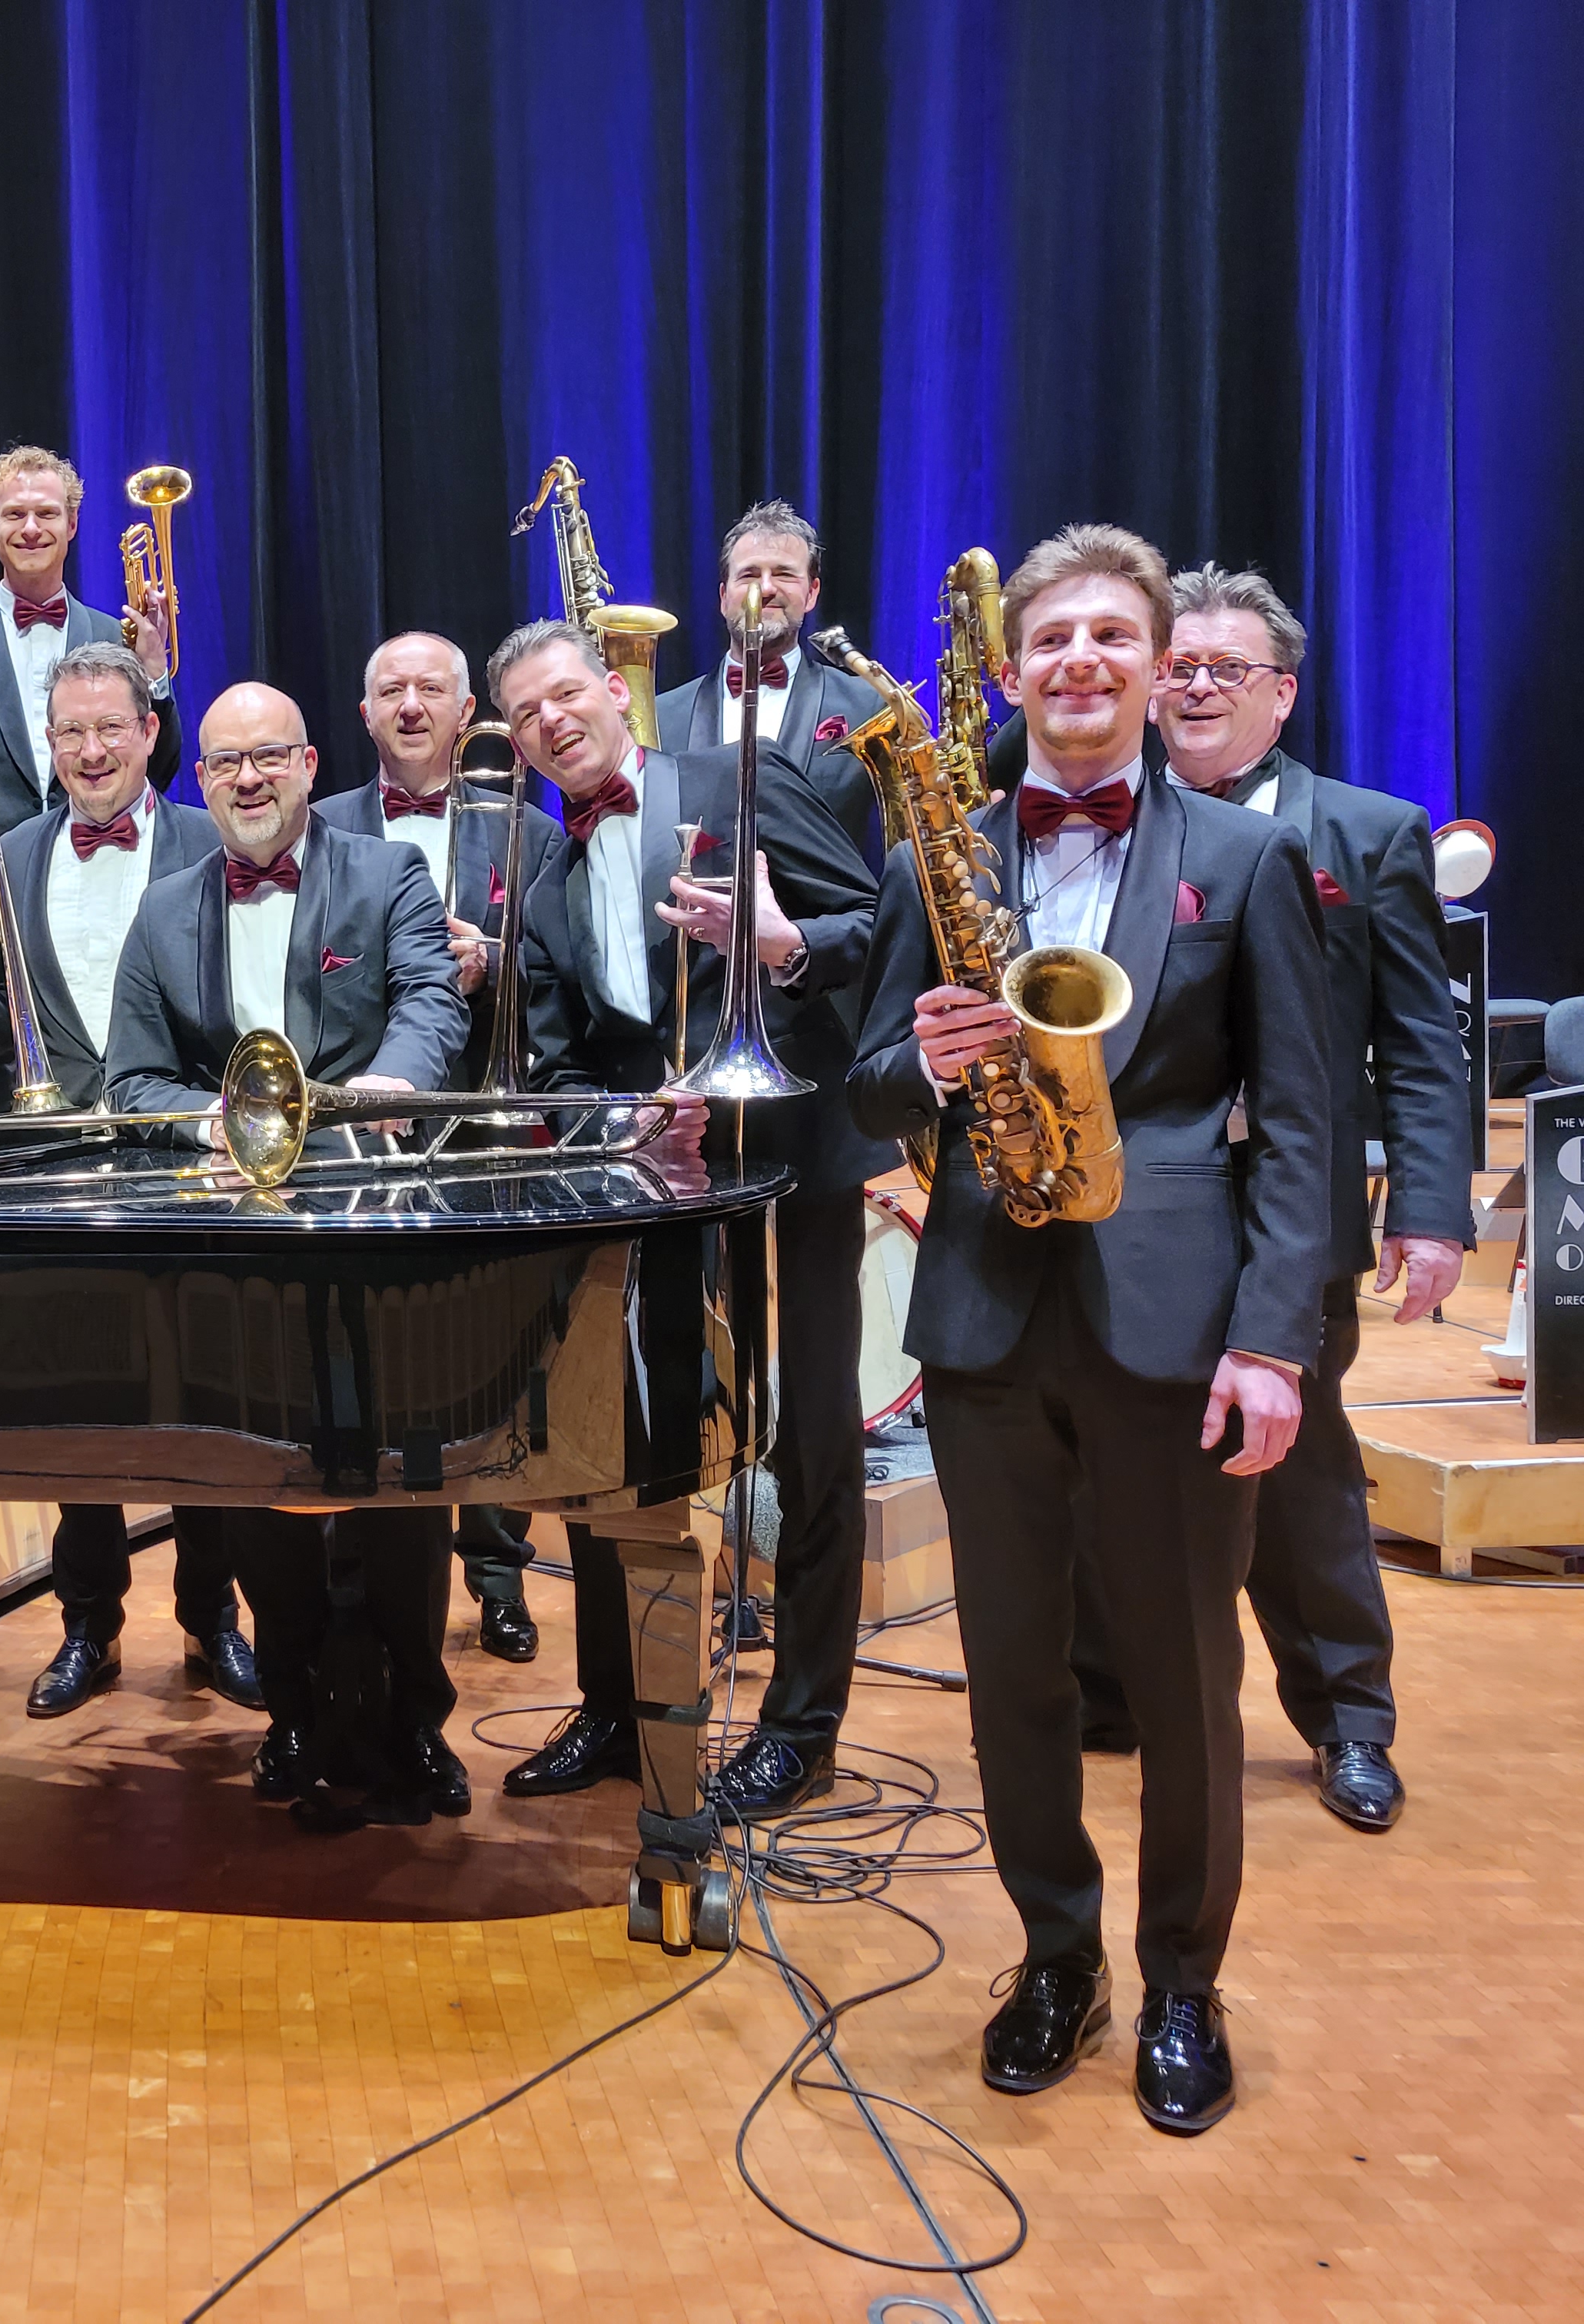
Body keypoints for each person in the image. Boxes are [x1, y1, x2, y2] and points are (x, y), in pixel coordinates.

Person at [847, 523, 1333, 2137]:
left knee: (1185, 1675)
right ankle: (1058, 1954)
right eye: (1051, 637)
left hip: (1176, 1327)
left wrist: (1273, 1340)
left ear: (1156, 663)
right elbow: (864, 1083)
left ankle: (1183, 1978)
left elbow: (1303, 1125)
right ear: (1011, 667)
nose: (1080, 661)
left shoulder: (1244, 858)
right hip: (986, 1322)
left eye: (1112, 637)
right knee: (1011, 1674)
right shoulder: (937, 856)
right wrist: (921, 1060)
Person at [1092, 563, 1466, 1833]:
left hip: (1288, 1213)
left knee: (1299, 1478)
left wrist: (1431, 1208)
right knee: (1111, 1453)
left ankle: (1349, 1716)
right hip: (1131, 1206)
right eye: (1179, 666)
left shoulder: (1366, 831)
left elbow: (1420, 1044)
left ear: (1282, 693)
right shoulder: (1095, 819)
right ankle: (1111, 1690)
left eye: (1226, 669)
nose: (1197, 687)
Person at [490, 618, 884, 1822]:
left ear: (617, 692)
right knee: (621, 1453)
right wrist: (618, 1122)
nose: (553, 721)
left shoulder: (737, 781)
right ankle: (619, 1708)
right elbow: (560, 1058)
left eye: (567, 694)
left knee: (811, 1450)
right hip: (653, 1192)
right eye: (526, 714)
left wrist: (785, 945)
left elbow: (876, 927)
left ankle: (801, 1727)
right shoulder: (542, 874)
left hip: (792, 1173)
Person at [101, 681, 472, 1808]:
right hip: (238, 1239)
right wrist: (212, 1122)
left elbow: (432, 1004)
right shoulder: (163, 910)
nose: (248, 778)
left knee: (402, 1487)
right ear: (201, 780)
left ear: (312, 764)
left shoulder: (388, 873)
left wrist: (393, 1084)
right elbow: (133, 1079)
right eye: (224, 763)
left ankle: (415, 1719)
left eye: (269, 756)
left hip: (373, 1226)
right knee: (260, 1484)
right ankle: (296, 1714)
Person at [0, 641, 261, 1721]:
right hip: (61, 1154)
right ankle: (88, 1627)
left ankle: (213, 1619)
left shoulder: (213, 837)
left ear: (151, 732)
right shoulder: (11, 849)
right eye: (70, 731)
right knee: (77, 1401)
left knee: (209, 1400)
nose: (92, 749)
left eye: (112, 727)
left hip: (198, 1150)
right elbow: (7, 999)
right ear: (49, 742)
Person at [318, 629, 560, 1662]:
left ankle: (499, 1577)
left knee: (493, 1361)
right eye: (390, 690)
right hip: (361, 1128)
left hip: (486, 1128)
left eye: (431, 690)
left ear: (468, 715)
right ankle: (353, 1576)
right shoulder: (322, 825)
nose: (410, 706)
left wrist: (494, 960)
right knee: (360, 1360)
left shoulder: (529, 827)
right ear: (364, 714)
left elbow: (565, 966)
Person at [0, 445, 181, 828]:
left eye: (47, 514)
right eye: (15, 514)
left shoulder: (114, 636)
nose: (31, 529)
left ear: (72, 524)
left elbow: (159, 771)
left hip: (102, 851)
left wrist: (154, 673)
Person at [651, 500, 884, 847]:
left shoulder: (868, 707)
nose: (766, 588)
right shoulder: (660, 716)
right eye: (749, 575)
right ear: (723, 597)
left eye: (784, 574)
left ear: (812, 593)